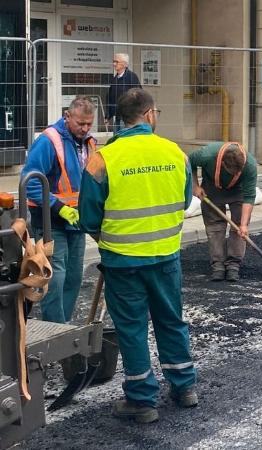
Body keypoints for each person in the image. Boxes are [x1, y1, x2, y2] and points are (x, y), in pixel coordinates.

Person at [79, 88, 197, 423]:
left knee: (131, 329)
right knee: (171, 321)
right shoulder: (175, 153)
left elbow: (88, 216)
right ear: (148, 115)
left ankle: (143, 401)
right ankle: (185, 387)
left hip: (122, 261)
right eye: (156, 112)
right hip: (165, 257)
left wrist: (108, 236)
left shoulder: (103, 159)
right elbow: (185, 201)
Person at [21, 96, 97, 324]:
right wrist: (59, 207)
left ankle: (60, 327)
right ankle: (55, 327)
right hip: (51, 221)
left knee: (73, 277)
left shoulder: (89, 142)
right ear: (67, 117)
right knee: (55, 277)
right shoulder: (49, 141)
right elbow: (30, 181)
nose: (84, 129)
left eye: (89, 124)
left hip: (76, 221)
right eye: (80, 123)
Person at [190, 141, 258, 282]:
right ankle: (218, 265)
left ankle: (233, 265)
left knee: (239, 227)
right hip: (212, 189)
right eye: (232, 171)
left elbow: (249, 197)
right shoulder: (206, 154)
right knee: (215, 227)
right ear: (222, 163)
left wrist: (244, 225)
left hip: (238, 192)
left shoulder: (250, 165)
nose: (235, 173)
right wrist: (195, 186)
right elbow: (188, 162)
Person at [107, 53, 141, 132]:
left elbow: (138, 94)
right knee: (117, 138)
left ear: (125, 64)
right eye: (113, 61)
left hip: (128, 116)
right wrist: (108, 115)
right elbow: (110, 96)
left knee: (124, 137)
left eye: (116, 62)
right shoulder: (115, 78)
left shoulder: (132, 77)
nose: (114, 64)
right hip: (118, 115)